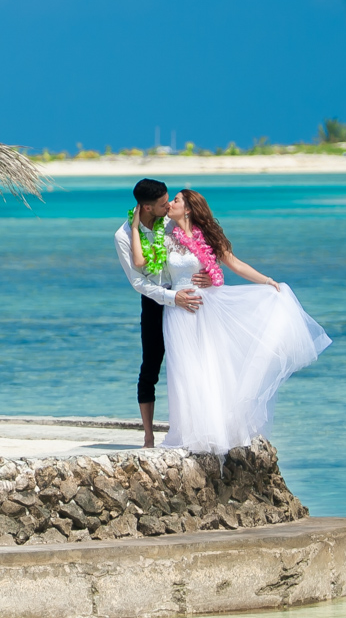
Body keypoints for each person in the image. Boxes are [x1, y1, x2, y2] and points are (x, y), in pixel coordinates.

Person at [154, 187, 331, 455]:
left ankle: (214, 429)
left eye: (176, 200)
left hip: (205, 307)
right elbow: (150, 266)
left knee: (209, 366)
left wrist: (267, 281)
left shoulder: (207, 237)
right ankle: (187, 431)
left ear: (188, 209)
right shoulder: (163, 234)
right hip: (178, 309)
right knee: (182, 369)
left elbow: (235, 264)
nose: (170, 204)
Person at [113, 177, 201, 448]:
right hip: (155, 302)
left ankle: (193, 426)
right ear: (147, 207)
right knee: (150, 366)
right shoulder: (123, 236)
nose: (169, 206)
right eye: (163, 204)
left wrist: (207, 275)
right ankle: (149, 436)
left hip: (184, 296)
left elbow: (195, 250)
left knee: (191, 363)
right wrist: (171, 298)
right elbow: (138, 281)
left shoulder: (169, 223)